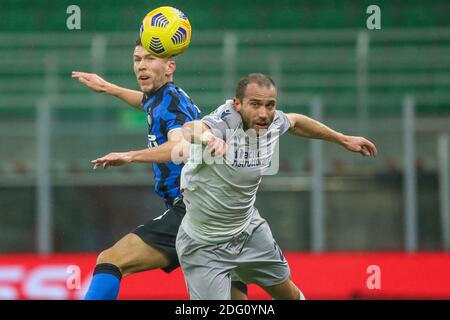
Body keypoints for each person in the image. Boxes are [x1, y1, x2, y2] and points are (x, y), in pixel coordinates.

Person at [71, 38, 248, 300]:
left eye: (150, 59)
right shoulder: (163, 97)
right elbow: (146, 103)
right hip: (221, 211)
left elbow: (181, 148)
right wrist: (109, 88)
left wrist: (129, 156)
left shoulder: (171, 103)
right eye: (137, 59)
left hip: (194, 207)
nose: (141, 66)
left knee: (110, 261)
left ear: (169, 67)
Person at [176, 73, 378, 300]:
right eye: (255, 104)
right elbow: (190, 128)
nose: (263, 113)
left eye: (270, 105)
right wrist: (208, 139)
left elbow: (296, 122)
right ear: (237, 104)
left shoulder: (271, 122)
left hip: (248, 232)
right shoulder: (224, 123)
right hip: (204, 245)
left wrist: (342, 138)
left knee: (290, 295)